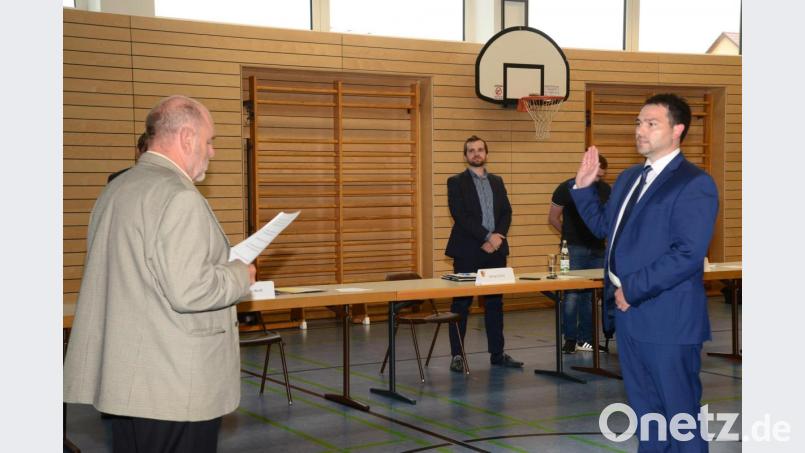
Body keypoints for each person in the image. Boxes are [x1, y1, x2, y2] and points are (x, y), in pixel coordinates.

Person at [64, 95, 257, 453]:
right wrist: (239, 275)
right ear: (187, 138)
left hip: (130, 385)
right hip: (174, 387)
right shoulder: (178, 196)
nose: (211, 152)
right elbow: (191, 291)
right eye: (209, 140)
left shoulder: (116, 189)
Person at [570, 94, 718, 451]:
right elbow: (606, 228)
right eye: (638, 122)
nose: (640, 130)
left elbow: (687, 254)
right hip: (631, 316)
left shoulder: (694, 183)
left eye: (652, 123)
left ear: (678, 130)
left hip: (668, 317)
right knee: (648, 415)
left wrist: (631, 289)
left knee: (679, 416)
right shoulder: (630, 177)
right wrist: (585, 188)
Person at [444, 135, 523, 372]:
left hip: (495, 251)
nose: (476, 154)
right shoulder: (455, 182)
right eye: (471, 150)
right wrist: (487, 237)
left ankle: (497, 354)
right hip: (468, 250)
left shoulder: (497, 181)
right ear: (465, 156)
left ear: (486, 153)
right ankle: (457, 355)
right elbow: (460, 215)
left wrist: (497, 236)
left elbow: (506, 212)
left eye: (480, 150)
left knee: (495, 304)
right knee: (461, 304)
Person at [548, 153, 611, 354]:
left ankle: (586, 339)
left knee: (591, 297)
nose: (598, 180)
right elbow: (553, 218)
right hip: (574, 248)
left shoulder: (605, 190)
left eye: (602, 176)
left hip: (598, 249)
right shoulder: (565, 188)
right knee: (572, 295)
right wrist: (568, 237)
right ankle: (570, 338)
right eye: (596, 175)